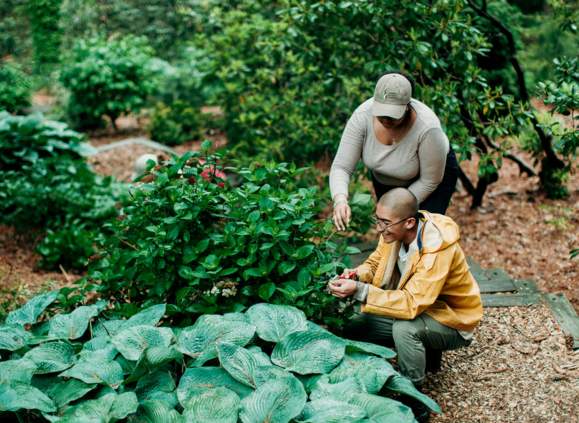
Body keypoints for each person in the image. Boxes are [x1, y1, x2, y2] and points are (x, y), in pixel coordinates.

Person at [328, 188, 483, 421]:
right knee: (355, 324)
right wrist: (356, 276)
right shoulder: (393, 232)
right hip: (420, 309)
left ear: (410, 222)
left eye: (385, 223)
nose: (379, 228)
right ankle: (369, 379)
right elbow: (374, 263)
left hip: (452, 320)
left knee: (405, 329)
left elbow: (412, 303)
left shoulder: (436, 249)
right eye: (377, 220)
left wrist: (361, 291)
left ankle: (414, 402)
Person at [330, 71, 459, 231]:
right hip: (386, 177)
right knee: (391, 231)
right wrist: (340, 200)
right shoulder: (362, 116)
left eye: (392, 115)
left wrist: (397, 208)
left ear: (407, 107)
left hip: (431, 179)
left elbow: (430, 180)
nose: (385, 119)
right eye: (381, 112)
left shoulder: (428, 127)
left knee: (420, 233)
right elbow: (341, 167)